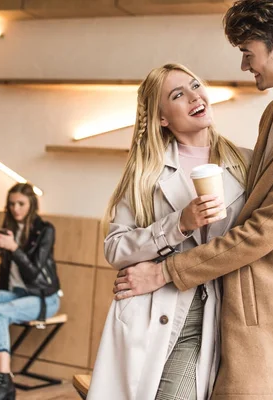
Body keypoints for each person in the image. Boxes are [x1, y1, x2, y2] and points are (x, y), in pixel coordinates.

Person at [113, 1, 273, 398]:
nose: (246, 66)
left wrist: (164, 272)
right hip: (221, 297)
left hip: (265, 309)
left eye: (249, 54)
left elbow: (259, 233)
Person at [88, 63, 251, 400]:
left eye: (195, 86)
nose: (195, 96)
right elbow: (116, 248)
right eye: (179, 94)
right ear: (162, 118)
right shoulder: (144, 174)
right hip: (157, 313)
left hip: (222, 312)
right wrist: (177, 225)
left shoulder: (248, 164)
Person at [0, 183, 61, 400]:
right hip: (15, 293)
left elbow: (33, 272)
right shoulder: (8, 228)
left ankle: (4, 379)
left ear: (32, 204)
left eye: (21, 203)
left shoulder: (45, 230)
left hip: (43, 297)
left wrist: (14, 248)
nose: (15, 208)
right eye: (11, 204)